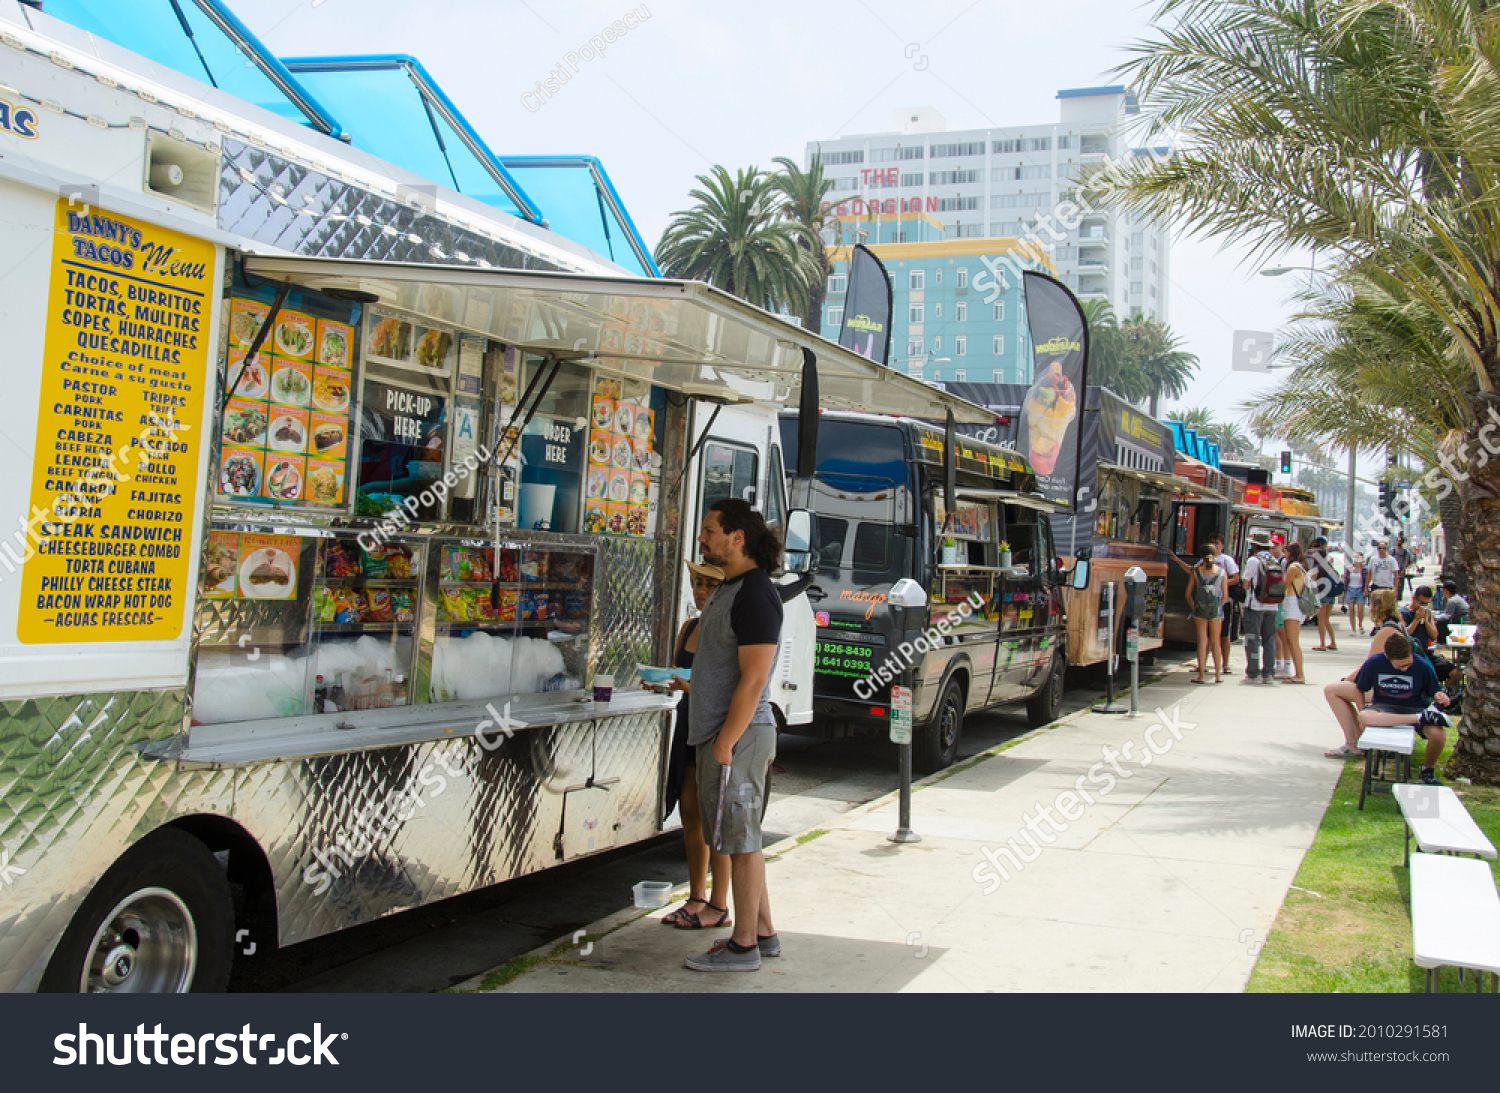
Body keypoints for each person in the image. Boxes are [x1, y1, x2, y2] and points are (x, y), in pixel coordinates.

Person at [684, 498, 784, 972]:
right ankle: (762, 931)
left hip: (739, 740)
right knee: (745, 839)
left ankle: (742, 946)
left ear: (737, 536)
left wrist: (725, 742)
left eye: (709, 530)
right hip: (720, 737)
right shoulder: (730, 586)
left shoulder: (756, 594)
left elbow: (754, 679)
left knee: (742, 844)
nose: (702, 537)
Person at [656, 560, 733, 931]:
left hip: (715, 724)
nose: (700, 591)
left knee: (716, 815)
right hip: (688, 717)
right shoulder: (690, 626)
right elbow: (679, 674)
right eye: (696, 583)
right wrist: (662, 682)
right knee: (690, 812)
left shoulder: (727, 629)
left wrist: (690, 687)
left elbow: (728, 685)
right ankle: (695, 896)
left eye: (708, 584)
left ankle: (719, 904)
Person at [1323, 632, 1449, 786]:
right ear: (1388, 657)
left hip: (1413, 707)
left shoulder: (1421, 664)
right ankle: (1419, 719)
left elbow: (1434, 691)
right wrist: (1362, 708)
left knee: (1438, 735)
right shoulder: (1375, 663)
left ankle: (1427, 771)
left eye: (1408, 664)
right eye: (1400, 666)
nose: (1405, 669)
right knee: (1364, 717)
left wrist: (1440, 696)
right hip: (1385, 707)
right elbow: (1359, 688)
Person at [1171, 542, 1226, 682]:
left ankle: (1201, 675)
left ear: (1201, 556)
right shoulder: (1221, 572)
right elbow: (1225, 595)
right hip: (1216, 610)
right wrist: (1218, 606)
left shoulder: (1196, 572)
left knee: (1202, 640)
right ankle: (1218, 675)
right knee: (1216, 642)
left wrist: (1194, 606)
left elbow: (1188, 594)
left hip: (1200, 610)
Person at [1239, 532, 1285, 685]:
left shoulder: (1253, 560)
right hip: (1272, 606)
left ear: (1254, 545)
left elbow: (1246, 584)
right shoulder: (1274, 560)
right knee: (1269, 640)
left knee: (1253, 640)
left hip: (1255, 606)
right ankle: (1268, 673)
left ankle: (1253, 673)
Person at [1279, 541, 1310, 683]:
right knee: (1291, 640)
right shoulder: (1301, 567)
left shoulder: (1293, 568)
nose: (1284, 555)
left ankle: (1299, 674)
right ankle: (1298, 673)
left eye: (1285, 552)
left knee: (1292, 641)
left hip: (1292, 604)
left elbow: (1284, 585)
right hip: (1295, 605)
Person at [1210, 533, 1240, 674]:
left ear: (1222, 545)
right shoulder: (1207, 560)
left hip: (1224, 601)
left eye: (1217, 543)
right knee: (1207, 634)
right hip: (1209, 601)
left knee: (1224, 634)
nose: (1215, 546)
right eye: (1212, 543)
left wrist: (1222, 584)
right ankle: (1202, 664)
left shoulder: (1226, 560)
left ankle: (1225, 664)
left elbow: (1236, 578)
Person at [1307, 537, 1340, 651]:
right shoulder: (1329, 566)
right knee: (1326, 620)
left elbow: (1313, 580)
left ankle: (1322, 644)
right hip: (1331, 596)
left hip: (1322, 595)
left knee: (1320, 621)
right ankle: (1333, 642)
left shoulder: (1317, 568)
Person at [1366, 540, 1400, 634]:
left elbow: (1396, 575)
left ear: (1387, 549)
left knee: (1386, 607)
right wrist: (1366, 587)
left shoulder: (1391, 560)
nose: (1381, 550)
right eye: (1380, 548)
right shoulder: (1373, 559)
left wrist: (1396, 588)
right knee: (1375, 607)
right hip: (1376, 585)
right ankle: (1376, 625)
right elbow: (1369, 574)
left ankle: (1384, 624)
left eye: (1384, 548)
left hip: (1387, 586)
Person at [1399, 585, 1440, 659]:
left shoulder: (1428, 613)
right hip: (1410, 653)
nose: (1424, 606)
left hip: (1425, 652)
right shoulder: (1402, 613)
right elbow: (1403, 635)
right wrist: (1416, 620)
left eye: (1427, 604)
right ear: (1414, 599)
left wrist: (1427, 621)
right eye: (1421, 603)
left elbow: (1434, 636)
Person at [1343, 550, 1368, 636]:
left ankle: (1360, 624)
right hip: (1350, 589)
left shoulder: (1364, 569)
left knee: (1360, 609)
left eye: (1359, 557)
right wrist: (1344, 591)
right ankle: (1353, 629)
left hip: (1360, 590)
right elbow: (1345, 580)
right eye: (1356, 557)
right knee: (1351, 609)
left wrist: (1366, 589)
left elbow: (1367, 580)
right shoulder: (1350, 568)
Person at [1393, 535, 1411, 600]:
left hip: (1400, 570)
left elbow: (1406, 561)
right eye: (1398, 541)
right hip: (1393, 570)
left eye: (1400, 541)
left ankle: (1398, 597)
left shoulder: (1405, 552)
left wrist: (1403, 570)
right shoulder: (1393, 551)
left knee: (1400, 585)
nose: (1398, 542)